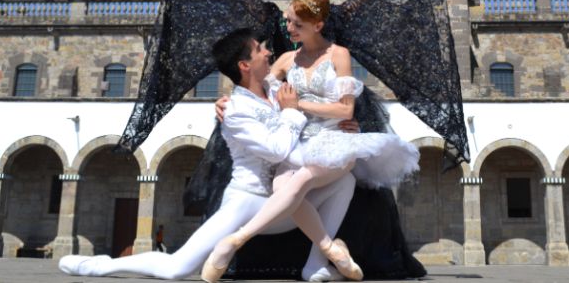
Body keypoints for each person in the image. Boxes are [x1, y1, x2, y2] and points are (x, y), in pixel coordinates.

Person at [116, 0, 471, 279]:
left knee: (355, 192)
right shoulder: (270, 20)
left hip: (330, 115)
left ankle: (320, 255)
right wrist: (229, 99)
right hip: (279, 111)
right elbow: (244, 51)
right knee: (273, 181)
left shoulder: (338, 28)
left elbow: (377, 0)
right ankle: (298, 254)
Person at [59, 29, 356, 280]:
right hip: (248, 201)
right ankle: (100, 266)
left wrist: (344, 124)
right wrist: (292, 112)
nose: (268, 53)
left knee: (345, 180)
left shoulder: (278, 88)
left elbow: (318, 107)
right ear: (244, 65)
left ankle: (316, 263)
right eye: (260, 50)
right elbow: (277, 150)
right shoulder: (236, 111)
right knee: (178, 268)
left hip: (286, 203)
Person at [201, 0, 420, 283]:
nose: (288, 27)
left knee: (301, 181)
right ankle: (326, 252)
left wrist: (297, 105)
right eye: (288, 21)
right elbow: (252, 85)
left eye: (295, 23)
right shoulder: (286, 60)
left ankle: (236, 240)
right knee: (281, 184)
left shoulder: (338, 54)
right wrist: (227, 99)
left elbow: (345, 108)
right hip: (299, 143)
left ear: (317, 25)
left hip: (335, 140)